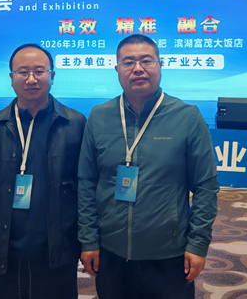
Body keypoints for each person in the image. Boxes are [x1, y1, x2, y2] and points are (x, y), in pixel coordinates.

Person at [78, 34, 219, 298]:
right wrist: (88, 240)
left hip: (169, 253)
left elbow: (205, 187)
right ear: (117, 69)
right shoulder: (99, 116)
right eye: (128, 62)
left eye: (146, 60)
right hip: (111, 251)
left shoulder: (187, 116)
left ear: (160, 65)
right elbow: (86, 182)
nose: (138, 68)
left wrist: (198, 244)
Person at [0, 43, 86, 299]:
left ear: (52, 76)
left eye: (39, 71)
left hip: (56, 252)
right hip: (2, 251)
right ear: (11, 78)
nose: (31, 79)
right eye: (23, 72)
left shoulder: (75, 125)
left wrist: (88, 245)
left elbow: (86, 191)